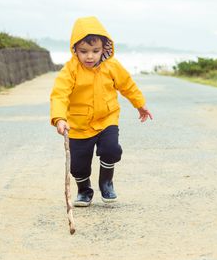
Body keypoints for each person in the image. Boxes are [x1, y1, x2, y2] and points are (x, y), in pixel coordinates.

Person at [50, 16, 153, 207]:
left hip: (107, 119)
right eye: (84, 51)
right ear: (75, 50)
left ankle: (106, 182)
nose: (90, 56)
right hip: (80, 125)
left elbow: (127, 85)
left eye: (95, 51)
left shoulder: (112, 66)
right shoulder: (70, 70)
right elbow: (59, 94)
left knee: (111, 149)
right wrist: (59, 118)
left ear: (104, 48)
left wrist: (140, 104)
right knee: (78, 166)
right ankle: (84, 190)